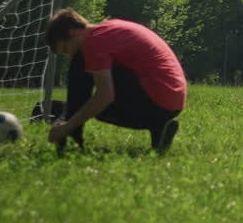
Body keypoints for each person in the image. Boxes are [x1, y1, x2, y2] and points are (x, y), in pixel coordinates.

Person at [44, 8, 187, 153]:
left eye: (65, 48)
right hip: (171, 103)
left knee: (80, 65)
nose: (68, 55)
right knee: (87, 101)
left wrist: (68, 126)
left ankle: (70, 140)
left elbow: (104, 97)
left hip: (155, 100)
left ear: (72, 32)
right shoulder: (110, 27)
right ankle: (160, 129)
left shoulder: (94, 42)